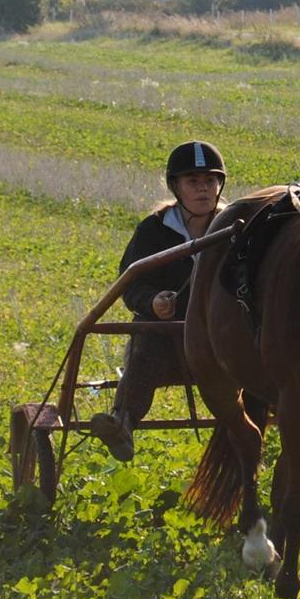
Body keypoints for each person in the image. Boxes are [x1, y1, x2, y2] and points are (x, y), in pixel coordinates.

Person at [92, 141, 227, 461]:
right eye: (193, 182)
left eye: (210, 181)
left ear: (220, 185)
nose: (203, 189)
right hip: (168, 341)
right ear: (176, 187)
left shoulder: (236, 226)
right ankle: (123, 422)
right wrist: (152, 302)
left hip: (222, 339)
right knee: (144, 343)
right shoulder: (154, 229)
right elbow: (131, 283)